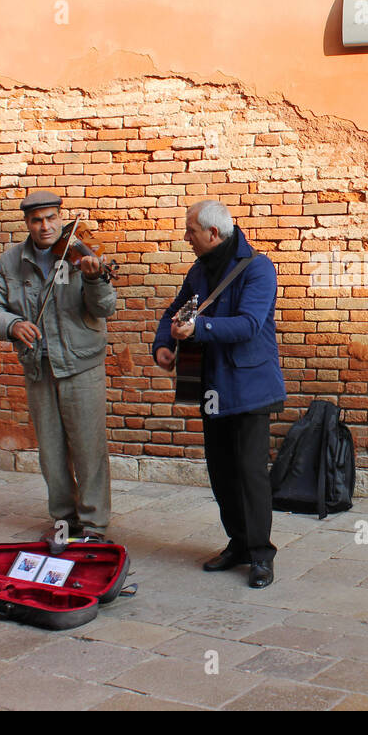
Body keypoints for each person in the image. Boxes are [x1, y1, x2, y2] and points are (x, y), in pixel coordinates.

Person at [154, 200, 286, 588]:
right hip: (211, 385)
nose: (186, 237)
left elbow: (248, 325)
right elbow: (173, 313)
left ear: (213, 233)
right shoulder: (198, 270)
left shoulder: (258, 268)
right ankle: (239, 543)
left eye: (190, 230)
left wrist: (198, 330)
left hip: (249, 388)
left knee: (249, 474)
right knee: (221, 472)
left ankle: (261, 554)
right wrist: (165, 344)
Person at [0, 190, 117, 553]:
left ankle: (93, 525)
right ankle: (63, 520)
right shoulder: (12, 261)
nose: (45, 226)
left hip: (80, 364)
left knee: (88, 448)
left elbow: (105, 308)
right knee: (51, 452)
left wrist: (94, 279)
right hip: (39, 366)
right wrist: (11, 325)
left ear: (60, 218)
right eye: (37, 220)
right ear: (27, 223)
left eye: (51, 218)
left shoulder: (80, 255)